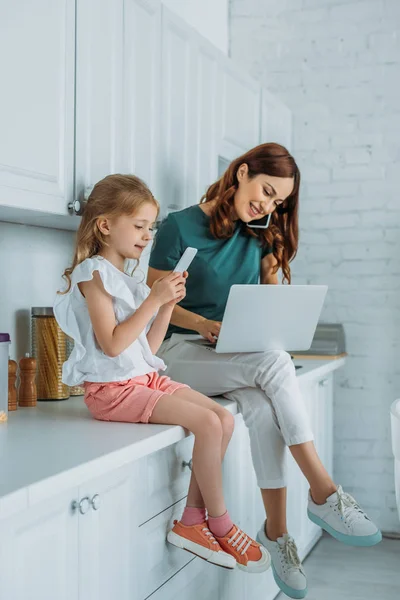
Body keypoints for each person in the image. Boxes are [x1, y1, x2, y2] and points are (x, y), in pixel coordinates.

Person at [147, 143, 382, 599]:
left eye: (278, 202)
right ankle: (324, 491)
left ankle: (277, 534)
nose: (267, 205)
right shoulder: (179, 226)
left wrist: (271, 272)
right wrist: (206, 324)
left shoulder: (259, 235)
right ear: (242, 172)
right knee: (273, 367)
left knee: (259, 402)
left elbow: (268, 313)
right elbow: (156, 304)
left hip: (234, 358)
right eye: (266, 191)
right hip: (177, 352)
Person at [53, 173, 270, 574]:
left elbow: (147, 350)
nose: (147, 235)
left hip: (141, 379)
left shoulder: (129, 281)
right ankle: (219, 523)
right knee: (207, 423)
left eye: (150, 227)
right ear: (104, 225)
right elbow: (113, 345)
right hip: (112, 392)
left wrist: (166, 305)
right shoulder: (93, 275)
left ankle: (191, 520)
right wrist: (154, 298)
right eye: (139, 226)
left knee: (223, 418)